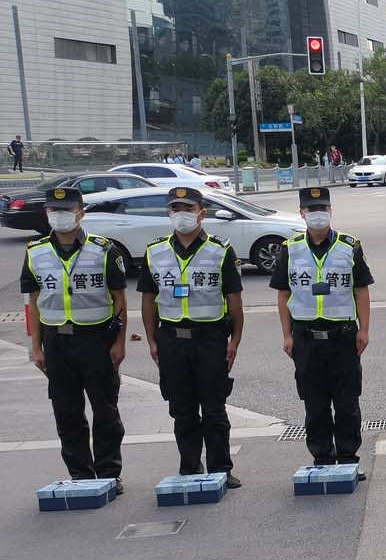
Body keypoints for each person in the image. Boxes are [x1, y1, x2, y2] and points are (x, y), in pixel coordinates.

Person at [21, 184, 129, 489]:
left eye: (66, 210)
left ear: (80, 213)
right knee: (66, 413)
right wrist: (35, 348)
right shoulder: (35, 252)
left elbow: (119, 299)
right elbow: (33, 303)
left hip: (96, 340)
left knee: (105, 410)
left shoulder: (104, 249)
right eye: (54, 210)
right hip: (56, 342)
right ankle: (80, 475)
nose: (60, 215)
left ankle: (109, 473)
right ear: (46, 213)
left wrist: (119, 342)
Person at [138, 185, 245, 487]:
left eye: (188, 209)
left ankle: (221, 468)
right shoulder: (155, 251)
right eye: (175, 209)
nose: (181, 214)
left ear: (201, 214)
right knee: (182, 409)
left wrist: (235, 341)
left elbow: (234, 300)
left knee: (214, 408)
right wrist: (152, 340)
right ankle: (189, 468)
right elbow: (148, 299)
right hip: (172, 339)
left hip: (209, 338)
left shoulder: (220, 250)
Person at [272, 185, 373, 469]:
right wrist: (286, 335)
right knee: (314, 404)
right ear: (302, 212)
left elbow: (361, 290)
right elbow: (283, 294)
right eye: (312, 209)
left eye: (322, 209)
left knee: (347, 403)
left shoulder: (349, 246)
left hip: (343, 336)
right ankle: (322, 458)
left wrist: (364, 329)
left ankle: (348, 459)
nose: (318, 214)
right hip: (306, 338)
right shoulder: (290, 248)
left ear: (330, 211)